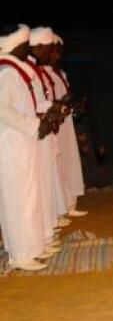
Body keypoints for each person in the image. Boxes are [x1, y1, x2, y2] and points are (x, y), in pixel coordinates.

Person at [0, 24, 51, 271]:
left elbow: (25, 106)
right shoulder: (7, 74)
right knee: (17, 199)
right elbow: (2, 111)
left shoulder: (15, 73)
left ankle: (28, 250)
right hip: (11, 145)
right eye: (24, 45)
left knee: (27, 196)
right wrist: (33, 125)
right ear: (18, 46)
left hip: (22, 143)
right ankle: (20, 255)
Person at [27, 27, 71, 253]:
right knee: (32, 189)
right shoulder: (13, 72)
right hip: (27, 135)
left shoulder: (33, 72)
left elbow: (41, 101)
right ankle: (32, 244)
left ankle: (46, 232)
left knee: (45, 183)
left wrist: (57, 107)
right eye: (50, 49)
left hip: (41, 129)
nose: (53, 53)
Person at [43, 32, 88, 217]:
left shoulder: (61, 74)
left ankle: (70, 204)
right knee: (57, 165)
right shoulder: (43, 75)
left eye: (60, 52)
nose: (58, 56)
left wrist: (76, 106)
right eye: (55, 52)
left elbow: (65, 100)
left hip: (66, 125)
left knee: (69, 162)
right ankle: (59, 209)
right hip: (53, 126)